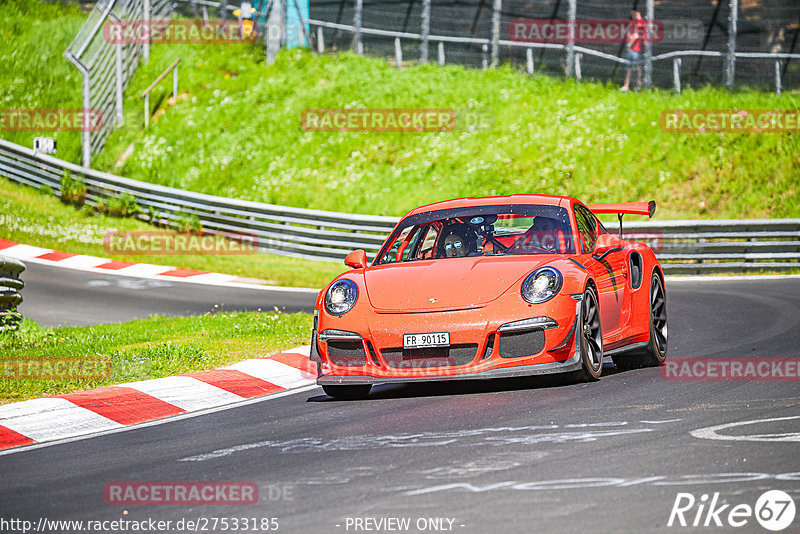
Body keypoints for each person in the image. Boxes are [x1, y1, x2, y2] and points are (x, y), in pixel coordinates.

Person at [621, 10, 646, 92]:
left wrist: (629, 44)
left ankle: (638, 85)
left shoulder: (641, 22)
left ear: (638, 13)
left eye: (633, 13)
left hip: (636, 49)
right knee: (629, 68)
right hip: (632, 49)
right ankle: (627, 85)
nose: (632, 15)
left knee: (637, 67)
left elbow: (636, 35)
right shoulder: (634, 23)